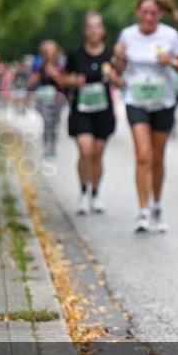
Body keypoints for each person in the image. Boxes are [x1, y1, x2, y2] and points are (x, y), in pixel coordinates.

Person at [113, 0, 178, 233]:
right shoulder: (127, 35)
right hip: (136, 101)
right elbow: (119, 69)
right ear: (138, 13)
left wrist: (171, 61)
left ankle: (157, 205)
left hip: (163, 102)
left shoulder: (170, 36)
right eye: (144, 12)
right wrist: (118, 57)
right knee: (143, 155)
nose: (149, 17)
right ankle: (143, 211)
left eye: (153, 13)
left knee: (157, 157)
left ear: (160, 14)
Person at [63, 11, 122, 215]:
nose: (94, 30)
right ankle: (82, 192)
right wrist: (73, 81)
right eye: (90, 27)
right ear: (84, 31)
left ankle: (95, 195)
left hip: (103, 110)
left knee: (97, 155)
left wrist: (114, 77)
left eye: (97, 26)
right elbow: (63, 80)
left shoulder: (110, 56)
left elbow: (121, 82)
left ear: (103, 30)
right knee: (85, 152)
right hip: (81, 110)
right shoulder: (75, 54)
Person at [29, 40, 67, 158]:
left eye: (51, 50)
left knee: (54, 123)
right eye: (46, 51)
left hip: (58, 99)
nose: (49, 53)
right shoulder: (39, 66)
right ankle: (47, 146)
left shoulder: (62, 64)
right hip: (44, 99)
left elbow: (65, 82)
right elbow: (32, 82)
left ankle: (53, 147)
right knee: (47, 122)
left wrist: (56, 75)